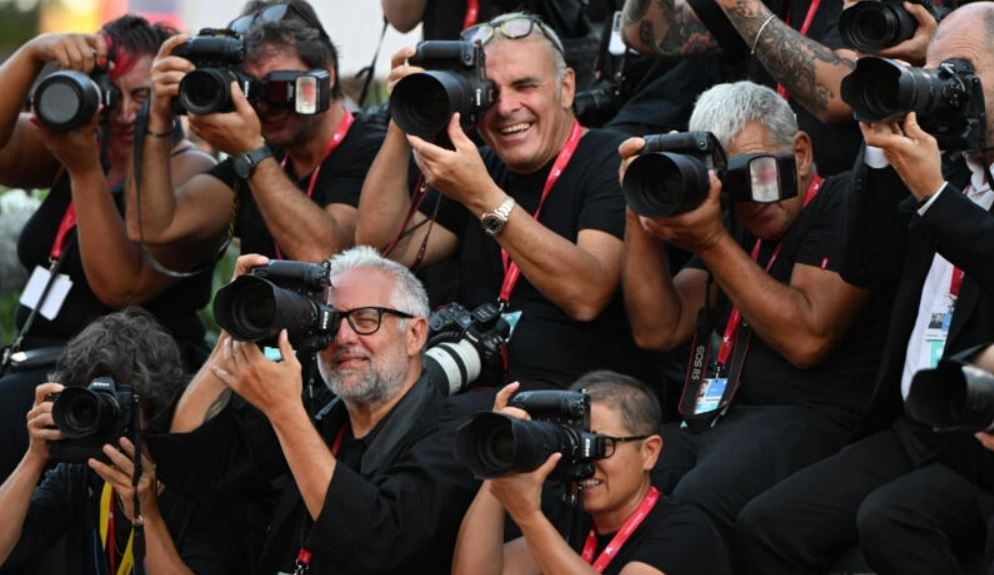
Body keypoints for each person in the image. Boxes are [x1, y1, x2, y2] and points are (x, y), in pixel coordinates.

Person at [735, 4, 994, 573]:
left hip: (979, 438)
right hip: (911, 428)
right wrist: (879, 140)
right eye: (935, 73)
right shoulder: (944, 166)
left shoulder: (940, 185)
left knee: (891, 519)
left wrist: (933, 198)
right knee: (766, 526)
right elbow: (864, 261)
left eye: (963, 75)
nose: (945, 92)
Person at [620, 80, 888, 539]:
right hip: (717, 414)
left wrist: (712, 241)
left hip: (809, 415)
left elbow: (807, 339)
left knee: (695, 505)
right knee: (622, 479)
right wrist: (639, 205)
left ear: (801, 154)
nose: (751, 193)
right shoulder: (730, 220)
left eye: (759, 170)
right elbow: (658, 330)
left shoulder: (843, 202)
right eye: (730, 180)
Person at [356, 12, 648, 390]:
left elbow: (587, 294)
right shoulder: (482, 165)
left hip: (576, 401)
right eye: (491, 92)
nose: (507, 107)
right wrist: (405, 114)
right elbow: (386, 250)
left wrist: (483, 197)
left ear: (567, 87)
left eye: (525, 86)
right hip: (475, 388)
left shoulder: (611, 157)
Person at [147, 246, 480, 574]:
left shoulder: (456, 439)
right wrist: (232, 335)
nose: (344, 337)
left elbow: (377, 544)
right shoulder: (318, 412)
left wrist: (285, 414)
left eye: (366, 319)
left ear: (415, 334)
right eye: (331, 322)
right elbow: (191, 463)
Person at [0, 14, 216, 482]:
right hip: (33, 366)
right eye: (110, 95)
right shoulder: (78, 143)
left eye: (142, 97)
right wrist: (34, 52)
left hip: (117, 386)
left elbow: (119, 288)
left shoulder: (193, 171)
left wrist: (82, 172)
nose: (122, 115)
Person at [128, 0, 384, 263]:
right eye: (251, 87)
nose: (266, 104)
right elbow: (152, 226)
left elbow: (327, 259)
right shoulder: (263, 154)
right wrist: (158, 112)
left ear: (327, 74)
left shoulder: (373, 149)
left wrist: (252, 153)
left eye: (282, 87)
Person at [0, 308, 245, 574]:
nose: (104, 424)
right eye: (90, 405)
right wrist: (34, 456)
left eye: (118, 406)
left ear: (156, 409)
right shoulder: (82, 474)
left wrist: (147, 515)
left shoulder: (198, 484)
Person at [452, 372, 732, 575]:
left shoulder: (686, 532)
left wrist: (529, 516)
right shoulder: (573, 522)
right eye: (576, 443)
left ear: (650, 452)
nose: (586, 461)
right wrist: (501, 464)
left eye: (599, 446)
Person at [618, 0, 930, 175]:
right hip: (759, 185)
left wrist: (740, 5)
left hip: (839, 203)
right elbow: (646, 33)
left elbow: (843, 93)